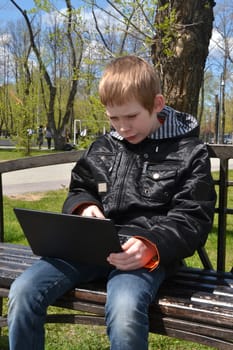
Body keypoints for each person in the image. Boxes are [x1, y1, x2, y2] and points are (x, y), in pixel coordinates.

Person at [8, 55, 216, 350]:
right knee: (24, 289)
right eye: (113, 118)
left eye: (131, 117)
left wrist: (151, 245)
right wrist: (83, 207)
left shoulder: (190, 152)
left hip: (145, 257)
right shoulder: (104, 147)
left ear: (157, 104)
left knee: (125, 307)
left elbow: (192, 218)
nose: (122, 128)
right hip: (90, 248)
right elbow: (81, 188)